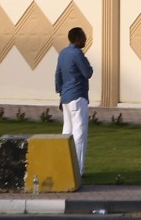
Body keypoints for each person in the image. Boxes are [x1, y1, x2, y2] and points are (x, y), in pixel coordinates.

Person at [55, 26, 93, 175]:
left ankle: (65, 165)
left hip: (65, 98)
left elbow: (58, 76)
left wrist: (61, 92)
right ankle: (78, 170)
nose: (85, 39)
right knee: (79, 134)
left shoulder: (63, 53)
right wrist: (88, 63)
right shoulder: (77, 53)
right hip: (78, 96)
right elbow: (87, 72)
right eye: (83, 36)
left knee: (67, 132)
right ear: (77, 39)